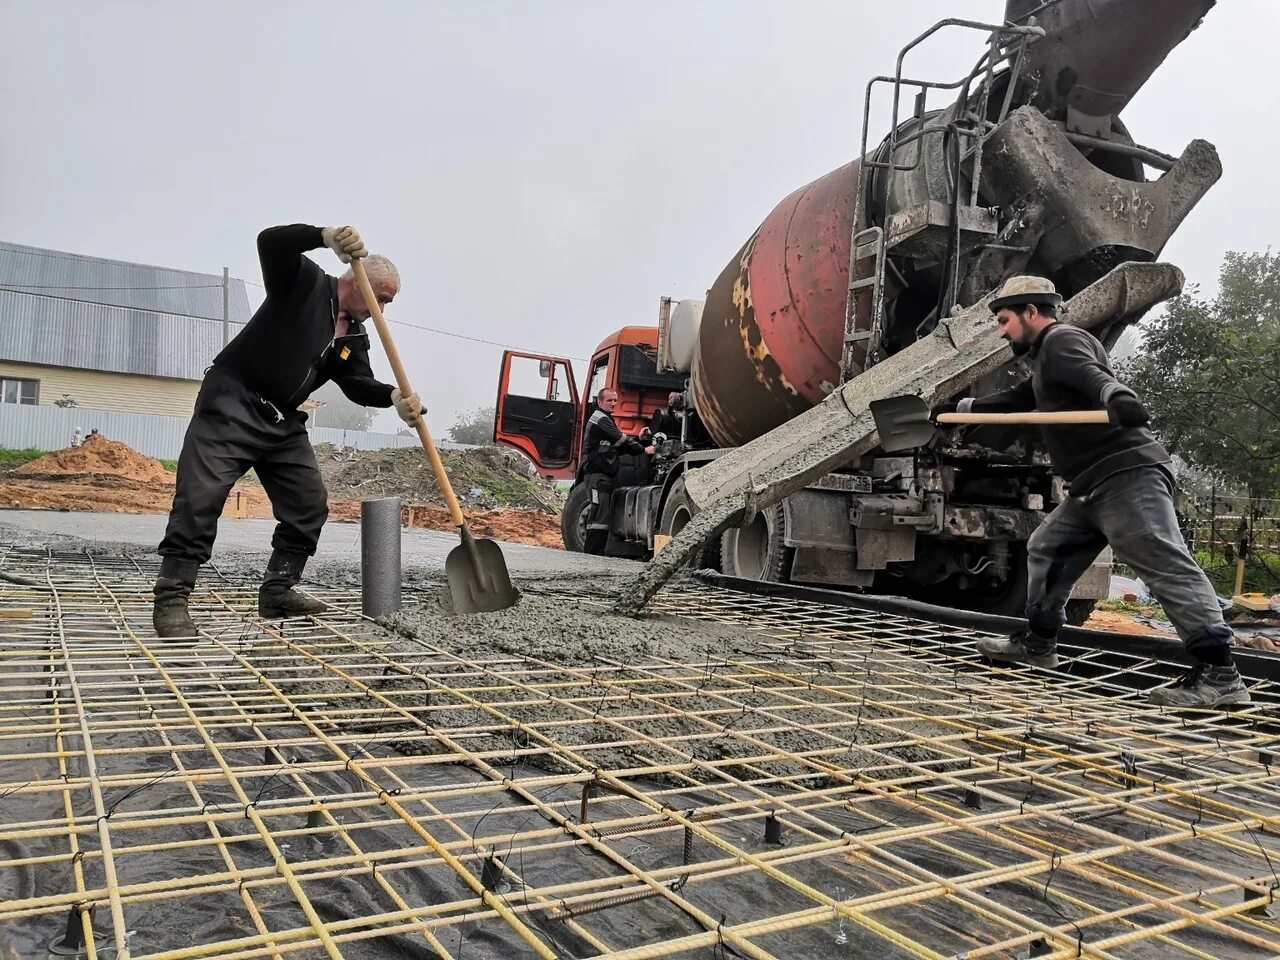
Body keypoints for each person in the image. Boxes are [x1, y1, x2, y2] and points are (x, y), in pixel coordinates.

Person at [956, 275, 1249, 708]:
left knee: (1161, 560)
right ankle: (1039, 645)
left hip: (1126, 475)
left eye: (1004, 320)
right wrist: (959, 409)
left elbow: (1092, 376)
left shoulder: (1061, 341)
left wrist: (1117, 394)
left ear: (1031, 312)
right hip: (1091, 485)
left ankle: (1221, 674)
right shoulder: (1045, 360)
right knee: (1046, 548)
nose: (1002, 331)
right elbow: (1022, 398)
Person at [152, 224, 423, 640]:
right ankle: (172, 599)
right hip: (232, 403)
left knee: (308, 503)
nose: (381, 311)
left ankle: (278, 591)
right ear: (358, 281)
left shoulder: (354, 334)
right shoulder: (305, 283)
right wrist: (324, 235)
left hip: (281, 421)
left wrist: (392, 397)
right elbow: (270, 241)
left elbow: (356, 385)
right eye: (381, 299)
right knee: (200, 497)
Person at [581, 388, 654, 554]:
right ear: (600, 402)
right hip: (597, 476)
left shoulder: (605, 420)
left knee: (601, 515)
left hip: (601, 475)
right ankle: (591, 556)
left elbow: (617, 445)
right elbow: (620, 440)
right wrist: (643, 450)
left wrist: (637, 441)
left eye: (615, 400)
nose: (613, 403)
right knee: (599, 516)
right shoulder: (601, 419)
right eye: (609, 401)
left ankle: (594, 555)